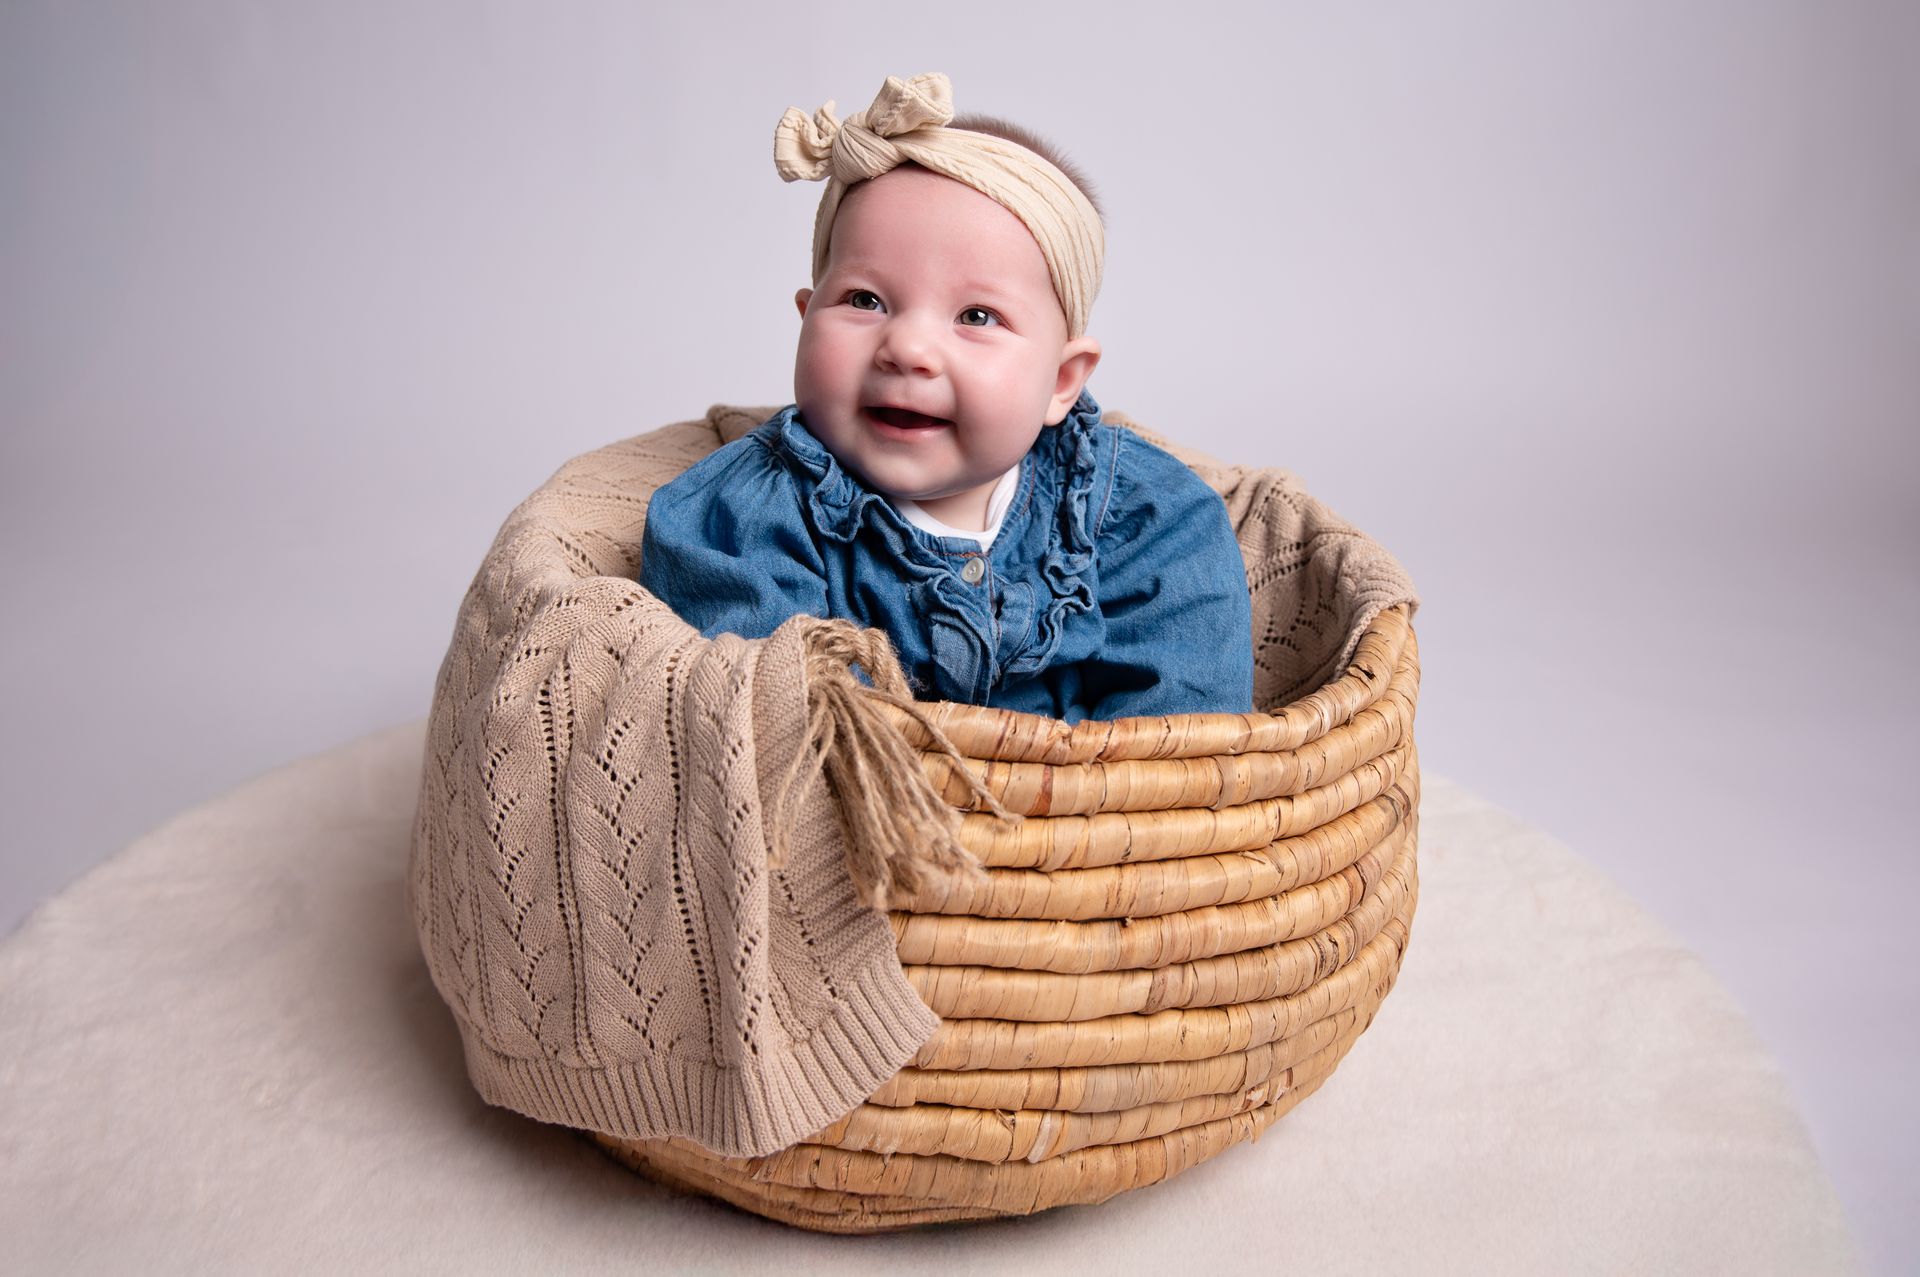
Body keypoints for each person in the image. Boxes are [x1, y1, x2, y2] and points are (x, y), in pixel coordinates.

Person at [639, 73, 1253, 723]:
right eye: (864, 300)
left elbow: (1183, 734)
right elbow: (790, 728)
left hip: (1089, 792)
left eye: (977, 316)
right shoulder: (745, 515)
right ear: (806, 319)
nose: (907, 348)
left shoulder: (1146, 517)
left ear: (1061, 382)